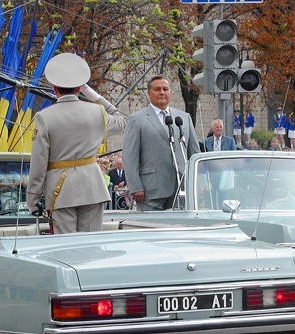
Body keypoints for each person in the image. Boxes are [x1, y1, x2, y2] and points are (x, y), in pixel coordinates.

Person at [27, 53, 127, 233]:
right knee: (90, 247)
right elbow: (121, 120)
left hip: (61, 189)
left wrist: (33, 197)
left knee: (66, 248)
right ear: (80, 89)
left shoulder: (45, 117)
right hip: (93, 187)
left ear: (54, 88)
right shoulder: (97, 112)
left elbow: (39, 161)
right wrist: (94, 95)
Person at [122, 75, 200, 211]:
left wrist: (198, 181)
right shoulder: (137, 119)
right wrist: (135, 187)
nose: (162, 92)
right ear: (149, 93)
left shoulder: (183, 118)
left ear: (170, 92)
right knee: (152, 229)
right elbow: (129, 156)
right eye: (157, 89)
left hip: (181, 187)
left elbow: (194, 153)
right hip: (150, 189)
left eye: (165, 89)